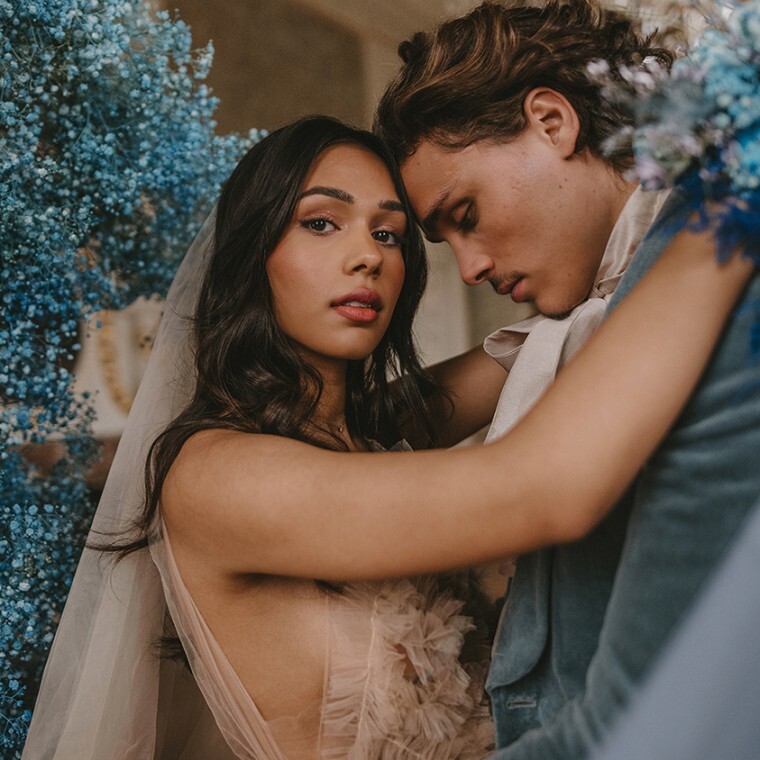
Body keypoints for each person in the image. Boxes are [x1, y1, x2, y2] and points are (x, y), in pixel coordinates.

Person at [22, 112, 750, 760]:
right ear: (254, 256)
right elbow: (545, 488)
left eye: (390, 233)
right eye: (320, 222)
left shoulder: (375, 434)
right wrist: (727, 208)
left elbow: (551, 330)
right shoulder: (215, 475)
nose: (369, 255)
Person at [373, 0, 760, 756]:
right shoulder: (572, 325)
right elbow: (383, 418)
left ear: (553, 121)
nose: (473, 267)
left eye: (467, 213)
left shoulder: (715, 273)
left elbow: (647, 723)